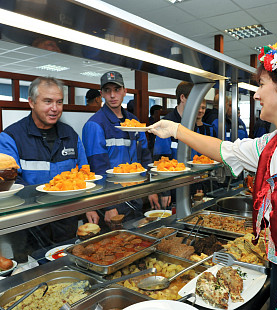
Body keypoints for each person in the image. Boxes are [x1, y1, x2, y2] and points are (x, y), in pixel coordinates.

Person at [149, 37, 277, 309]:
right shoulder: (273, 143)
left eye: (262, 84)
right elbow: (226, 150)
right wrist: (175, 130)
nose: (256, 94)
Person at [0, 77, 88, 246]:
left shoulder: (70, 135)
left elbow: (84, 174)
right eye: (48, 101)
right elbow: (8, 183)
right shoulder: (11, 137)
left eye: (59, 102)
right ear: (32, 102)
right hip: (28, 224)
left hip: (65, 219)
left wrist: (89, 206)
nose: (54, 108)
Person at [82, 71, 160, 223]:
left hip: (135, 194)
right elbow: (97, 169)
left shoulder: (134, 121)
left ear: (125, 91)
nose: (112, 95)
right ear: (101, 94)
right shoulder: (95, 124)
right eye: (107, 90)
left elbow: (145, 157)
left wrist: (151, 189)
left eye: (117, 90)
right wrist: (108, 205)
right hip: (113, 201)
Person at [153, 81, 193, 160]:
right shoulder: (165, 124)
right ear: (182, 98)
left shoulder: (193, 123)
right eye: (194, 98)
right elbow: (162, 162)